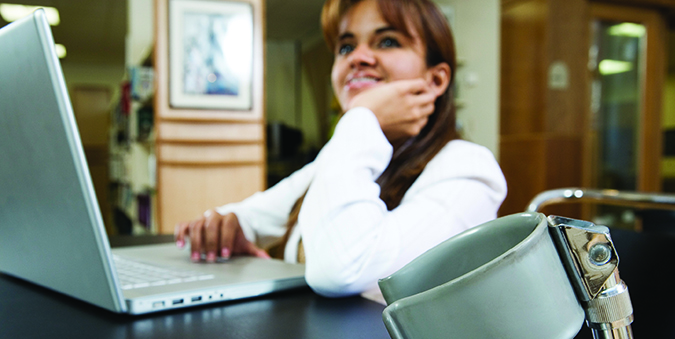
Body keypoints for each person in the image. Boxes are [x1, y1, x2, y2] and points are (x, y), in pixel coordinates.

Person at [174, 0, 507, 298]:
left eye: (387, 41)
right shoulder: (339, 158)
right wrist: (223, 226)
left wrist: (363, 118)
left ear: (435, 80)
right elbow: (254, 216)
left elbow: (340, 270)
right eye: (346, 47)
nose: (357, 58)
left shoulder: (468, 169)